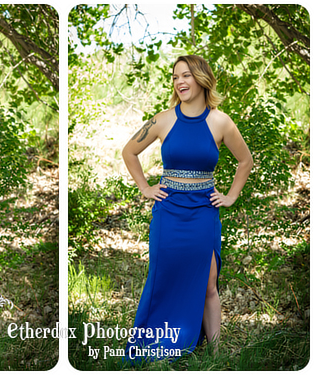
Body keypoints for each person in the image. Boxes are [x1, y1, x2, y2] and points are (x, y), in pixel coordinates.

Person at [122, 55, 253, 362]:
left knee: (208, 283)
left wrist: (232, 195)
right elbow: (129, 151)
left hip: (203, 212)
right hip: (168, 210)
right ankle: (158, 343)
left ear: (201, 79)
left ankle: (216, 356)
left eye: (186, 76)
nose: (179, 82)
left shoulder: (220, 121)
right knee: (162, 275)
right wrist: (145, 187)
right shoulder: (163, 119)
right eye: (175, 77)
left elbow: (245, 161)